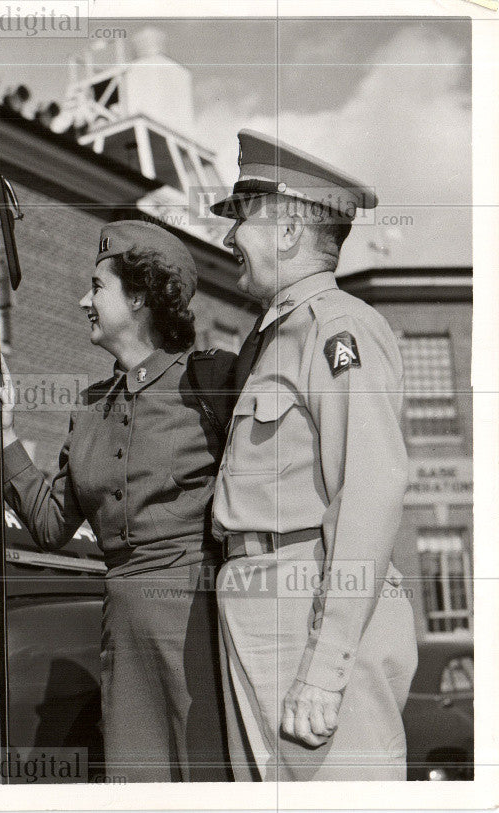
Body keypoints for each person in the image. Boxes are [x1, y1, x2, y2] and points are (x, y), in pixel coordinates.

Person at [209, 129, 418, 781]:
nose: (227, 238)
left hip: (309, 610)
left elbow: (371, 490)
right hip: (258, 605)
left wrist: (326, 673)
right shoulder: (280, 336)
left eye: (241, 217)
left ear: (289, 226)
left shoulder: (338, 328)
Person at [0, 221, 234, 782]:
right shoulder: (90, 406)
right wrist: (6, 435)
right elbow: (51, 525)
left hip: (200, 623)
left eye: (97, 287)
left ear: (140, 296)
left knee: (207, 775)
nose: (83, 301)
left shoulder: (210, 383)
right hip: (123, 634)